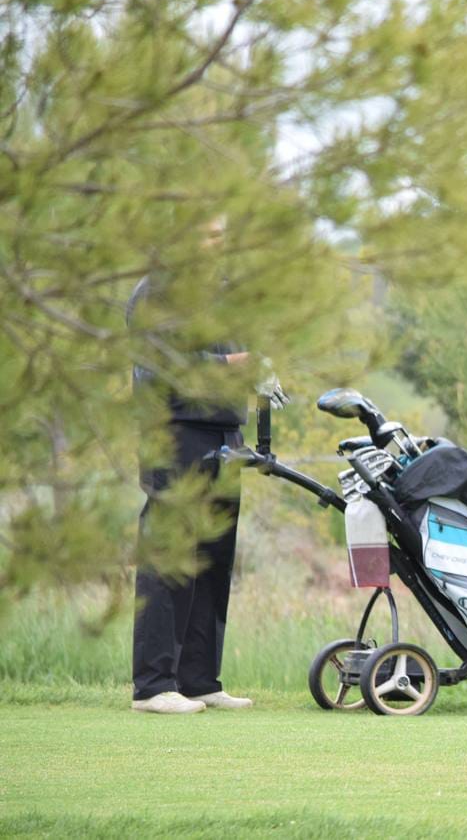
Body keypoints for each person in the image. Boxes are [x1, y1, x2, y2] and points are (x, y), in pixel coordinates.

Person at [126, 218, 286, 714]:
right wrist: (233, 366)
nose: (220, 243)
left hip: (223, 433)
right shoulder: (156, 291)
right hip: (175, 432)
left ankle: (198, 680)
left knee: (214, 559)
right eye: (209, 234)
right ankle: (153, 687)